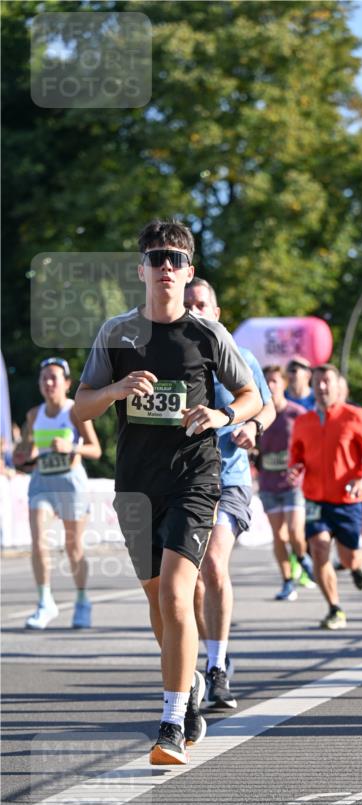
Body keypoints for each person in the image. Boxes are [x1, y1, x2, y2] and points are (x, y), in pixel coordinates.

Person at [74, 220, 261, 765]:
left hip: (194, 481)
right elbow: (80, 406)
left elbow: (251, 396)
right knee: (159, 604)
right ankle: (191, 686)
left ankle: (172, 722)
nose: (165, 267)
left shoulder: (207, 335)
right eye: (156, 258)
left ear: (189, 272)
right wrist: (114, 389)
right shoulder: (117, 333)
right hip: (135, 485)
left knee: (180, 593)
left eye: (175, 259)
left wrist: (223, 413)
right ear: (141, 270)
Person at [184, 277, 275, 710]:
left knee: (213, 563)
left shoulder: (241, 357)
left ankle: (218, 670)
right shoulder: (169, 361)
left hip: (231, 479)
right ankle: (208, 656)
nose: (195, 311)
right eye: (188, 305)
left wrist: (253, 426)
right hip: (183, 480)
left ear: (217, 313)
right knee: (192, 580)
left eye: (202, 304)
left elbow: (266, 403)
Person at [289, 363, 362, 629]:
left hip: (348, 499)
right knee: (318, 548)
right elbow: (296, 456)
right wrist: (295, 469)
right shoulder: (302, 422)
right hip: (315, 498)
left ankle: (359, 566)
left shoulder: (355, 416)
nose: (321, 387)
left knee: (349, 556)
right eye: (316, 381)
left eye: (327, 381)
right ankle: (334, 608)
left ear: (338, 385)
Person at [13, 357, 101, 629]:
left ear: (66, 383)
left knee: (73, 548)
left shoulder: (75, 411)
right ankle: (44, 602)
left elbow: (95, 450)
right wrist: (23, 454)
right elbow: (25, 453)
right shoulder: (33, 415)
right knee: (39, 541)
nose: (49, 383)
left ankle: (83, 600)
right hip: (42, 482)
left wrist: (70, 447)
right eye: (44, 378)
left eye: (54, 378)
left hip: (70, 483)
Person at [256, 365, 314, 601]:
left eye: (274, 382)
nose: (270, 386)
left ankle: (302, 557)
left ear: (283, 385)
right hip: (269, 483)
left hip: (293, 484)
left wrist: (302, 467)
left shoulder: (297, 413)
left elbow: (311, 447)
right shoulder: (257, 414)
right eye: (266, 381)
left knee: (294, 532)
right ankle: (288, 581)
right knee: (278, 536)